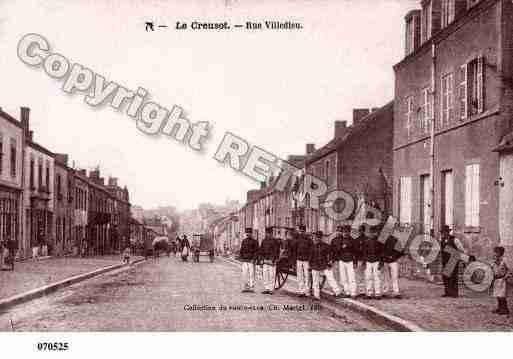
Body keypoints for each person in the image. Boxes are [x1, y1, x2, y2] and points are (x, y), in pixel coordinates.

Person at [309, 230, 343, 301]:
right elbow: (310, 257)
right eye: (317, 237)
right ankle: (316, 296)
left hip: (325, 265)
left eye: (319, 237)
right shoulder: (312, 247)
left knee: (331, 278)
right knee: (315, 281)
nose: (318, 239)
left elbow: (331, 255)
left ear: (322, 238)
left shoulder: (327, 246)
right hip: (315, 266)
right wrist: (310, 266)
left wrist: (330, 262)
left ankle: (337, 292)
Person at [440, 225, 467, 298]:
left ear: (448, 232)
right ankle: (448, 292)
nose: (443, 234)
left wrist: (460, 257)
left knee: (453, 277)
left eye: (445, 232)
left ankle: (454, 293)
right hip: (445, 261)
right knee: (445, 277)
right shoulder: (442, 240)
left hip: (453, 260)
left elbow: (461, 249)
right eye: (442, 232)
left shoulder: (455, 240)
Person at [331, 224, 357, 298]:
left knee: (351, 277)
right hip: (342, 261)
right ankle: (347, 292)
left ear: (349, 232)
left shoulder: (352, 241)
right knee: (343, 278)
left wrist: (355, 262)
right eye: (344, 232)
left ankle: (353, 293)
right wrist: (341, 247)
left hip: (350, 261)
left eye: (347, 232)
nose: (345, 233)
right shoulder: (340, 240)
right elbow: (336, 250)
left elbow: (355, 252)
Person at [382, 230, 405, 299]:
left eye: (390, 232)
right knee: (385, 277)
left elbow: (401, 251)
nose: (388, 233)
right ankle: (385, 291)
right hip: (385, 261)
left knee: (394, 277)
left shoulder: (396, 240)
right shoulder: (382, 241)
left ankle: (396, 291)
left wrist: (394, 256)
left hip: (393, 261)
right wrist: (383, 258)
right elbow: (380, 250)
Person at [363, 224, 384, 299]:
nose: (373, 234)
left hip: (376, 261)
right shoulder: (366, 242)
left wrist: (381, 263)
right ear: (369, 233)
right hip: (368, 261)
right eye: (371, 232)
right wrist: (365, 262)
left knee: (377, 277)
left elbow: (382, 253)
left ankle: (377, 293)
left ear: (377, 233)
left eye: (374, 232)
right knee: (368, 277)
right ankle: (369, 293)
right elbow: (364, 252)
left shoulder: (380, 242)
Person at [258, 227, 281, 295]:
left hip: (271, 261)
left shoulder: (275, 241)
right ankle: (266, 288)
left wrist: (273, 260)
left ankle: (271, 289)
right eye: (267, 233)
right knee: (265, 275)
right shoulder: (264, 241)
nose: (268, 235)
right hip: (265, 260)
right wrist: (261, 259)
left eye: (269, 233)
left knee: (272, 275)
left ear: (271, 234)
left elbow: (276, 251)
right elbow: (261, 250)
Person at [238, 227, 259, 293]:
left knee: (251, 274)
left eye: (249, 233)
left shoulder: (255, 242)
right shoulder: (244, 241)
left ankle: (251, 287)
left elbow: (256, 251)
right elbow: (241, 250)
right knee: (244, 274)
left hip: (251, 260)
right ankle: (245, 287)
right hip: (244, 260)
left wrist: (254, 259)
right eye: (247, 233)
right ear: (246, 234)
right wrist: (241, 257)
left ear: (251, 234)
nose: (248, 234)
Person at [295, 224, 313, 297]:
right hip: (299, 259)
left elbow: (311, 251)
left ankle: (307, 291)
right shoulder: (297, 239)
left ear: (305, 231)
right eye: (300, 231)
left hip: (306, 260)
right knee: (300, 276)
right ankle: (301, 291)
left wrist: (310, 260)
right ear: (299, 231)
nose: (301, 233)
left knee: (307, 276)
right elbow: (295, 249)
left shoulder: (309, 240)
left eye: (303, 231)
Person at [491, 246, 510, 315]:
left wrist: (506, 277)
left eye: (497, 252)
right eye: (495, 252)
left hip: (502, 280)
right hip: (496, 280)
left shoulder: (504, 261)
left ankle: (505, 309)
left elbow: (509, 270)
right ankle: (499, 308)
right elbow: (492, 270)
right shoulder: (494, 262)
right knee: (497, 295)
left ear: (501, 253)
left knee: (502, 295)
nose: (495, 254)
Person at [354, 225, 367, 297]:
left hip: (365, 260)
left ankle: (365, 291)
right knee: (358, 276)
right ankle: (359, 291)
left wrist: (365, 260)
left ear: (363, 231)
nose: (360, 232)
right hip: (359, 260)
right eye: (359, 230)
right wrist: (355, 262)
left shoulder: (367, 239)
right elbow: (355, 252)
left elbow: (367, 251)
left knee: (366, 276)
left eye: (361, 230)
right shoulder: (356, 240)